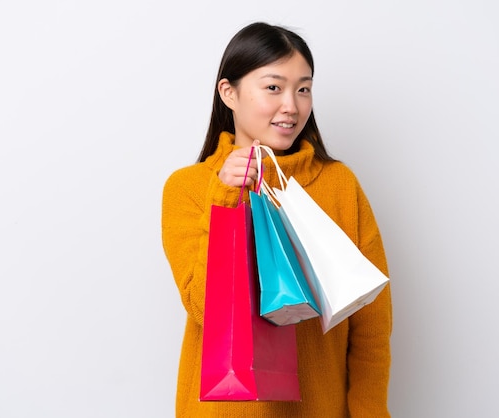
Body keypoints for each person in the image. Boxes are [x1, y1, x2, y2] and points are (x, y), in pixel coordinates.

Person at [161, 21, 392, 417]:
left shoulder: (338, 184)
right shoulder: (189, 188)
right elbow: (203, 309)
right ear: (228, 93)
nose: (292, 105)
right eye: (273, 87)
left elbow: (371, 322)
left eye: (303, 89)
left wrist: (369, 411)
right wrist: (225, 197)